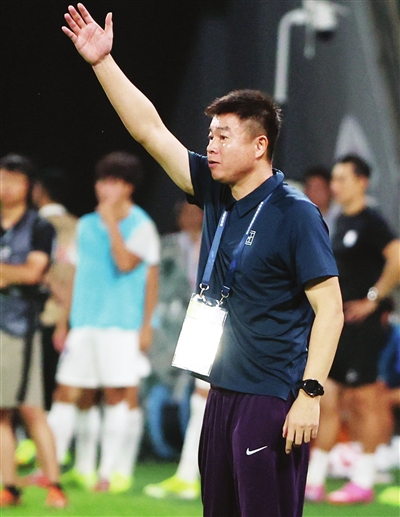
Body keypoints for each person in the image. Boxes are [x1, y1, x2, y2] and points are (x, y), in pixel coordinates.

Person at [61, 5, 344, 516]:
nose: (210, 146)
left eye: (223, 137)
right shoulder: (215, 191)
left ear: (260, 146)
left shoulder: (295, 212)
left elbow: (331, 309)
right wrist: (103, 63)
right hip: (221, 390)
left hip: (271, 395)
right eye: (210, 136)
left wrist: (310, 394)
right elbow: (150, 131)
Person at [48, 151, 160, 494]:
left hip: (121, 325)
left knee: (116, 395)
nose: (104, 189)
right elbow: (75, 275)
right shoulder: (84, 225)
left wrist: (146, 326)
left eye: (112, 182)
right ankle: (61, 466)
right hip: (84, 322)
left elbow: (129, 266)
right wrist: (64, 322)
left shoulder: (141, 226)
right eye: (101, 181)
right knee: (68, 392)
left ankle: (108, 472)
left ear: (128, 187)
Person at [305, 154, 400, 504]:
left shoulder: (372, 222)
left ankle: (364, 479)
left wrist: (374, 298)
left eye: (342, 179)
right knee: (328, 397)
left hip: (365, 327)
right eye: (334, 179)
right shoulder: (341, 220)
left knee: (365, 400)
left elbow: (397, 257)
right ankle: (314, 479)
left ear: (362, 182)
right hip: (341, 325)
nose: (335, 186)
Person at [0, 154, 68, 508]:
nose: (6, 187)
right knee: (2, 412)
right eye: (2, 179)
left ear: (28, 186)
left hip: (20, 328)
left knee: (30, 410)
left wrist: (11, 274)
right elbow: (22, 271)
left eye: (14, 180)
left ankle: (54, 485)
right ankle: (9, 486)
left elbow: (32, 273)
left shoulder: (39, 226)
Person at [144, 201, 207, 499]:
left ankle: (197, 474)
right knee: (200, 398)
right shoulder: (169, 244)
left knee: (213, 399)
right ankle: (187, 474)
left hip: (221, 318)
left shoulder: (227, 235)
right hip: (200, 319)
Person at [303, 165, 340, 235]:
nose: (313, 193)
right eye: (310, 188)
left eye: (318, 188)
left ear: (329, 189)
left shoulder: (340, 214)